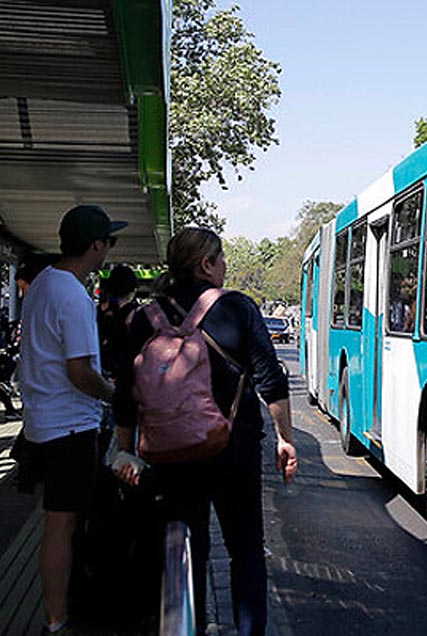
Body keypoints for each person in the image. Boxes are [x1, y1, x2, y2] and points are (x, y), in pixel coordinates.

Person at [113, 227, 297, 636]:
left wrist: (126, 454)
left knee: (184, 548)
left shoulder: (145, 318)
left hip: (168, 454)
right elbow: (270, 380)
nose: (225, 266)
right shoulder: (237, 308)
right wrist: (285, 438)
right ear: (206, 263)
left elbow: (125, 395)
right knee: (246, 550)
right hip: (235, 449)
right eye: (222, 258)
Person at [18, 204, 124, 635]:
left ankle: (60, 610)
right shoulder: (73, 295)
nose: (109, 251)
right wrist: (115, 393)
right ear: (96, 245)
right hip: (69, 427)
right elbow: (80, 372)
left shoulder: (44, 283)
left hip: (43, 422)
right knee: (61, 525)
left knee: (61, 521)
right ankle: (57, 618)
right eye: (108, 243)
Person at [97, 264, 138, 377]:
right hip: (125, 371)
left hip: (99, 367)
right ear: (133, 289)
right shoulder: (135, 314)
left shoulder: (99, 310)